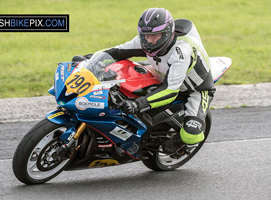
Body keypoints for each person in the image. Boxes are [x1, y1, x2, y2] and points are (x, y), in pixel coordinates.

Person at [76, 8, 214, 148]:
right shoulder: (144, 41)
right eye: (146, 35)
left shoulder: (181, 52)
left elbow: (171, 91)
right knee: (119, 83)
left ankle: (177, 144)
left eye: (155, 36)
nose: (149, 41)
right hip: (161, 74)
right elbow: (116, 51)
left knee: (191, 135)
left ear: (167, 34)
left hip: (195, 89)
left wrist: (138, 104)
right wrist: (89, 60)